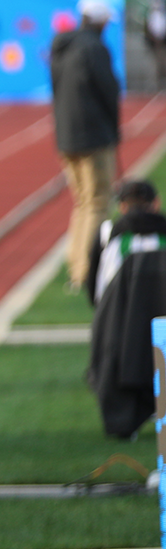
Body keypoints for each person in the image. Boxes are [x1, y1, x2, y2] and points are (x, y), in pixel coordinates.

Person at [51, 0, 123, 293]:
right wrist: (113, 129)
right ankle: (87, 270)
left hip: (67, 135)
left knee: (82, 202)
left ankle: (76, 263)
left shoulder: (62, 48)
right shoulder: (95, 48)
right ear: (99, 21)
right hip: (93, 136)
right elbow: (108, 90)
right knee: (97, 202)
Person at [85, 179, 166, 439]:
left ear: (122, 207)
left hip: (118, 324)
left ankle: (124, 422)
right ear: (156, 203)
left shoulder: (107, 231)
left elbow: (94, 289)